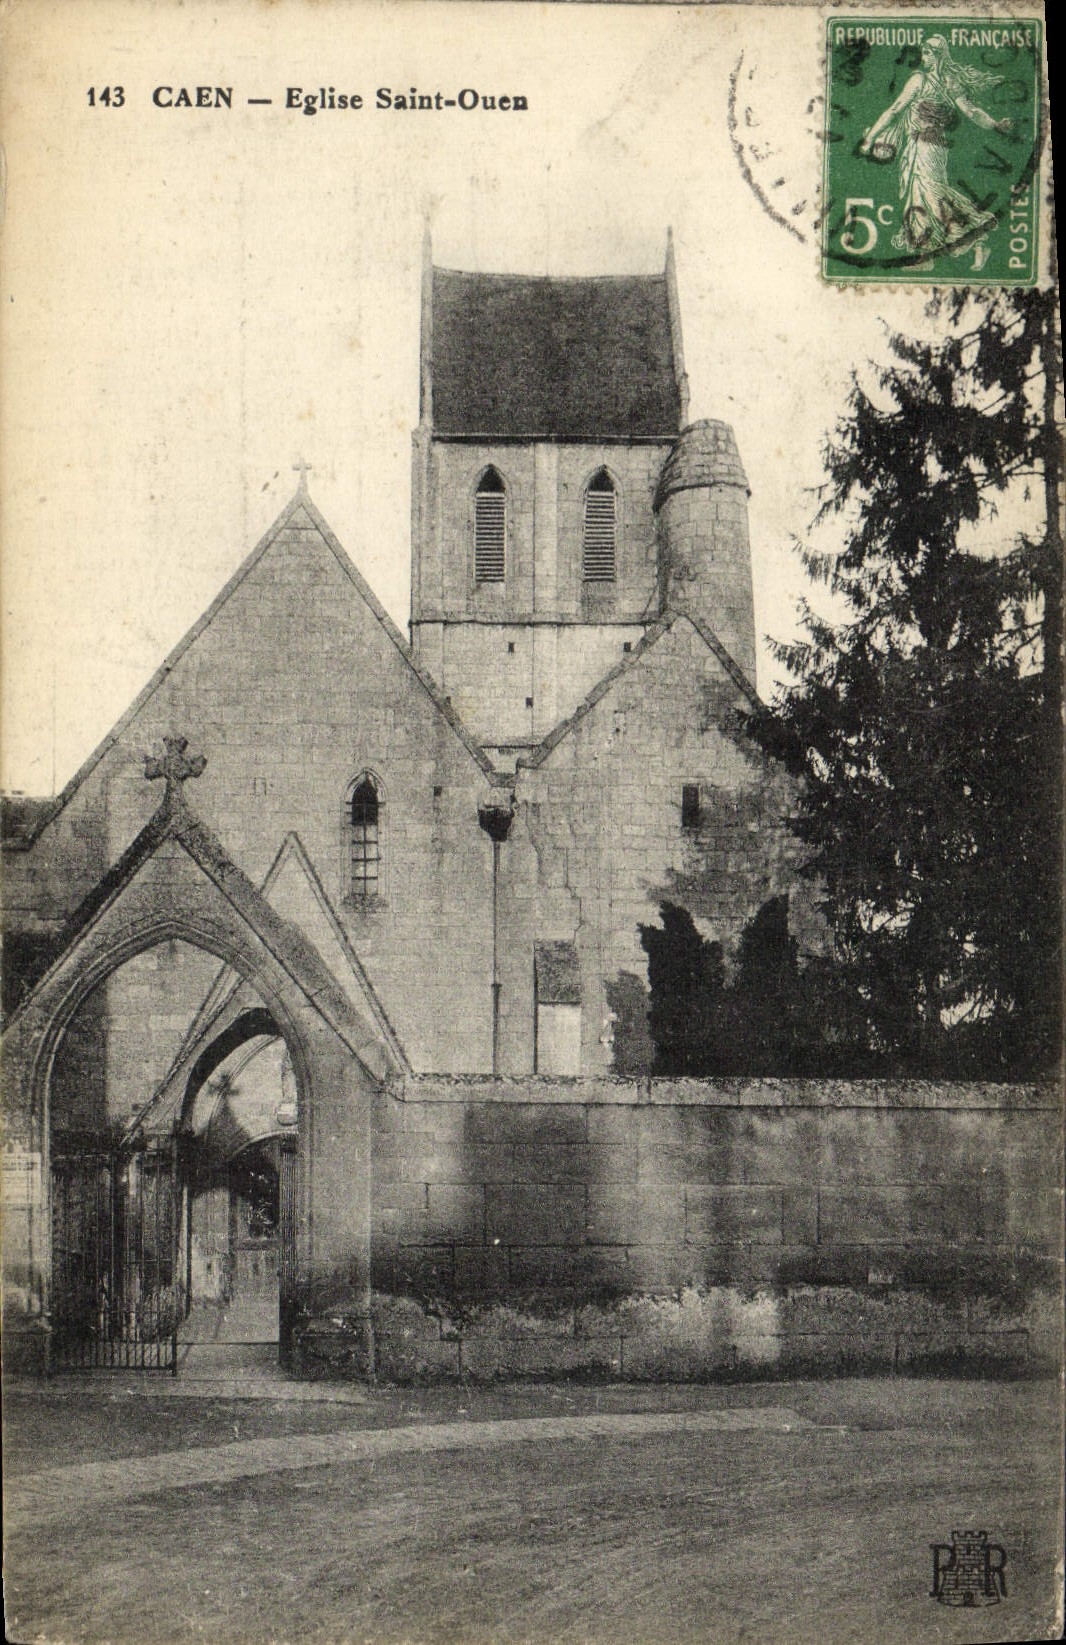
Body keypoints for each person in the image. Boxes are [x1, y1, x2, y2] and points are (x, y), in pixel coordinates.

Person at [860, 35, 1012, 271]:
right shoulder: (945, 82)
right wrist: (995, 125)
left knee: (931, 196)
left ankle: (978, 240)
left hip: (926, 147)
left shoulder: (921, 80)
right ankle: (927, 257)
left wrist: (871, 137)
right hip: (928, 147)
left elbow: (896, 109)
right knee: (920, 197)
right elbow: (971, 112)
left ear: (939, 55)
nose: (924, 57)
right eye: (924, 52)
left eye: (929, 53)